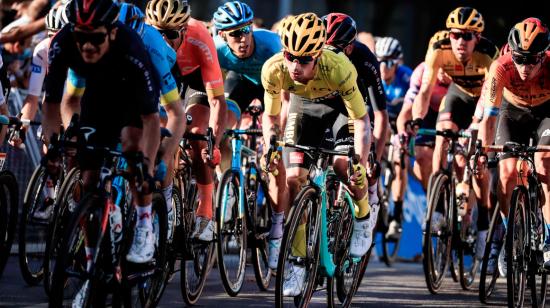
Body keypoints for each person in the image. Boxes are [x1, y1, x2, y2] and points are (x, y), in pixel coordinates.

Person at [42, 0, 161, 273]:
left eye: (95, 38)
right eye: (80, 37)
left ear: (112, 32)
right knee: (88, 179)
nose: (86, 45)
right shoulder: (62, 43)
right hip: (97, 97)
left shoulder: (131, 46)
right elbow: (51, 105)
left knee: (133, 151)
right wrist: (52, 147)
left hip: (132, 97)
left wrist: (147, 163)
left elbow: (151, 120)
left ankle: (144, 226)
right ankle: (91, 262)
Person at [261, 12, 375, 296]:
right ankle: (298, 262)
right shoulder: (274, 69)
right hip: (305, 109)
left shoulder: (339, 67)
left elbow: (361, 121)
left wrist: (359, 159)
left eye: (303, 60)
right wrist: (270, 145)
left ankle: (362, 217)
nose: (294, 66)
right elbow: (271, 116)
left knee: (343, 167)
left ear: (318, 55)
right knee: (294, 180)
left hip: (341, 112)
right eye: (290, 56)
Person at [412, 7, 498, 259]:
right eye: (455, 34)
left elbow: (489, 96)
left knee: (477, 158)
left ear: (477, 39)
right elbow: (425, 90)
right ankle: (438, 210)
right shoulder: (438, 46)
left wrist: (476, 123)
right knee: (442, 136)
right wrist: (417, 119)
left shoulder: (488, 53)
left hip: (485, 100)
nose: (460, 41)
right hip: (458, 95)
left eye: (468, 36)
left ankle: (483, 221)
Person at [146, 0, 226, 242]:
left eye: (171, 34)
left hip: (194, 80)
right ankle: (165, 204)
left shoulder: (199, 36)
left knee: (198, 134)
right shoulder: (144, 38)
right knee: (159, 133)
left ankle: (205, 212)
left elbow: (217, 101)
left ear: (183, 30)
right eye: (158, 33)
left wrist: (214, 143)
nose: (164, 41)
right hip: (163, 77)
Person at [478, 18, 550, 272]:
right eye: (519, 58)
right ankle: (510, 237)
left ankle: (549, 239)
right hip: (512, 112)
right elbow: (489, 118)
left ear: (543, 56)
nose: (524, 66)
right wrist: (483, 153)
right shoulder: (501, 67)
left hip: (545, 113)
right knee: (507, 173)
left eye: (531, 60)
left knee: (544, 163)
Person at [117, 2, 186, 241]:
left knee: (147, 144)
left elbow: (174, 113)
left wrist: (165, 155)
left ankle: (162, 205)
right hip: (118, 81)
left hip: (152, 82)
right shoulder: (97, 39)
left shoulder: (157, 47)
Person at [387, 30, 452, 239]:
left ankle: (465, 211)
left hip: (454, 111)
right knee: (422, 157)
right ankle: (434, 201)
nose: (441, 70)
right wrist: (401, 134)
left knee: (460, 158)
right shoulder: (421, 72)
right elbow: (407, 110)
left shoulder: (461, 73)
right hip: (427, 111)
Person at [322, 12, 388, 165]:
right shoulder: (312, 57)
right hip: (322, 106)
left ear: (349, 48)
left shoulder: (365, 59)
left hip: (352, 109)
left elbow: (381, 114)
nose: (327, 54)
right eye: (323, 47)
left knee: (346, 164)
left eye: (335, 49)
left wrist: (375, 160)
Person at [374, 36, 412, 236]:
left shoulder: (407, 77)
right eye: (379, 60)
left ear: (397, 62)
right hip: (382, 121)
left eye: (388, 62)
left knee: (400, 160)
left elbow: (414, 108)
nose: (382, 66)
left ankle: (396, 215)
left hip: (401, 122)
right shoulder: (372, 74)